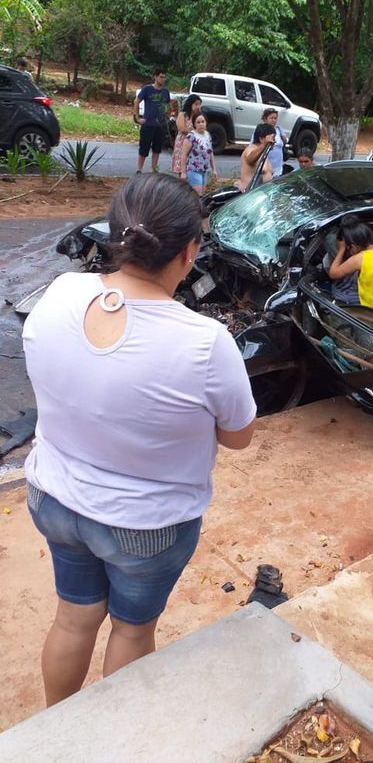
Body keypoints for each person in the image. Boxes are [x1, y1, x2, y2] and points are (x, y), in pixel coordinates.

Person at [22, 174, 256, 707]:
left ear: (115, 232)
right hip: (144, 526)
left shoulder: (61, 292)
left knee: (73, 618)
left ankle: (54, 731)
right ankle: (110, 739)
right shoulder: (204, 343)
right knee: (130, 631)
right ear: (190, 251)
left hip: (53, 499)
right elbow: (240, 437)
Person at [133, 69, 170, 174]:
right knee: (144, 148)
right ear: (155, 77)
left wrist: (167, 116)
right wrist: (137, 118)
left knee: (157, 149)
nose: (163, 79)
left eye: (164, 77)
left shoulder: (165, 92)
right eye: (161, 77)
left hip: (160, 125)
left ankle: (153, 170)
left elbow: (167, 105)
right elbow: (136, 101)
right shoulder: (147, 89)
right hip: (148, 124)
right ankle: (139, 169)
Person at [179, 113, 217, 195]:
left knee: (202, 193)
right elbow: (184, 154)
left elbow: (210, 153)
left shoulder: (207, 135)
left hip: (204, 170)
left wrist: (214, 169)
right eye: (198, 122)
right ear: (194, 124)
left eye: (203, 121)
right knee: (197, 194)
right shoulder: (191, 136)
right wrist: (183, 172)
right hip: (194, 169)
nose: (201, 124)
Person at [250, 108, 287, 177]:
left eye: (275, 118)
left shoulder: (279, 129)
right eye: (271, 118)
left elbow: (284, 142)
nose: (274, 120)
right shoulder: (260, 130)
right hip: (265, 167)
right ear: (265, 119)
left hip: (278, 167)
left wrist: (283, 137)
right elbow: (252, 146)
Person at [239, 123, 275, 191]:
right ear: (261, 139)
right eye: (272, 139)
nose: (274, 141)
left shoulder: (264, 153)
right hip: (249, 194)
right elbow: (250, 159)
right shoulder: (251, 149)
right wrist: (264, 145)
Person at [172, 94, 203, 174]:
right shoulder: (183, 115)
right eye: (196, 104)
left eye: (199, 105)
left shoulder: (198, 117)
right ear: (190, 104)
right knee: (182, 167)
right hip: (182, 142)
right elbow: (182, 129)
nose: (198, 107)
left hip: (194, 144)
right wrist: (194, 131)